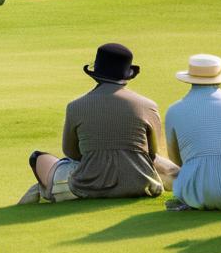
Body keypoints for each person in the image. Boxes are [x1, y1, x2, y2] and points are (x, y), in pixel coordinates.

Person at [20, 43, 177, 204]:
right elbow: (153, 153)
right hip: (140, 184)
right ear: (127, 74)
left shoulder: (75, 106)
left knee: (39, 159)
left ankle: (41, 192)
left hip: (87, 186)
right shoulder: (148, 105)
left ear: (96, 72)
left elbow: (71, 153)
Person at [163, 55, 221, 211]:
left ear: (190, 78)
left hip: (194, 194)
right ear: (219, 77)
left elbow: (176, 159)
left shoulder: (174, 110)